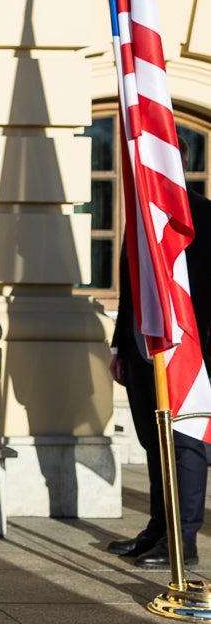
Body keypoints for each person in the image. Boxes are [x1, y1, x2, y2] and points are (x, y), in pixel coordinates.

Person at [107, 188, 211, 569]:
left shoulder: (202, 214)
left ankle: (183, 542)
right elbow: (129, 290)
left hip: (188, 351)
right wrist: (120, 347)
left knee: (184, 443)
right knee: (155, 441)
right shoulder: (140, 215)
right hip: (140, 349)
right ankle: (158, 530)